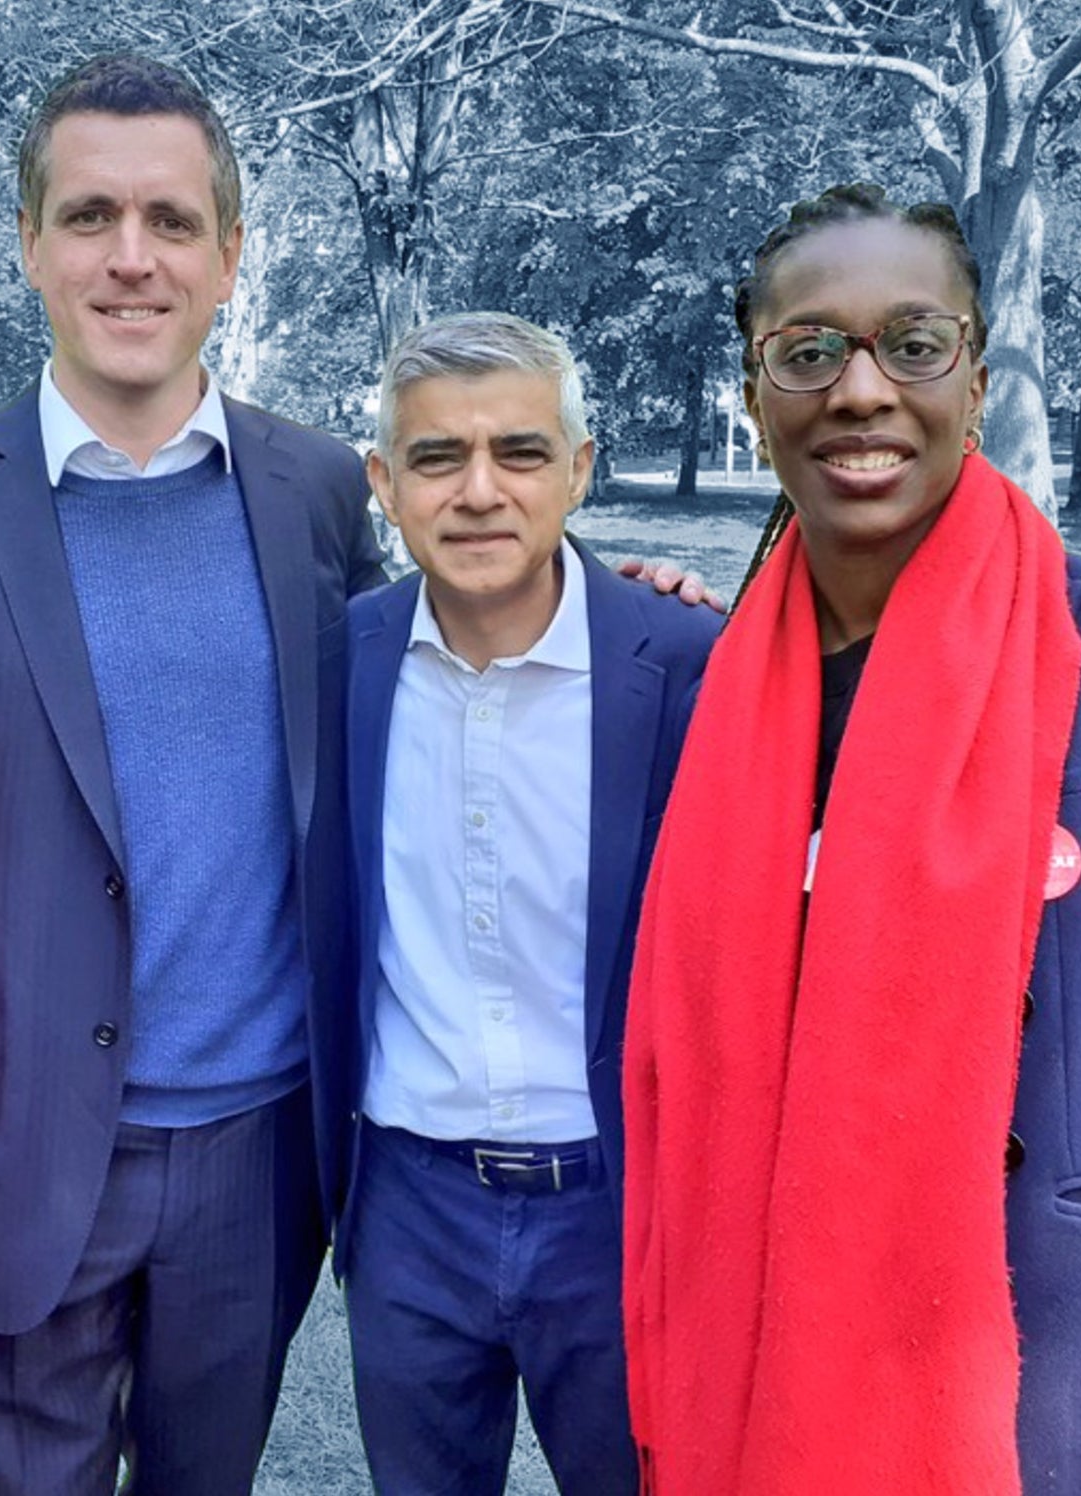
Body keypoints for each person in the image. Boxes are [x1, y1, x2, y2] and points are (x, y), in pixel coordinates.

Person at [621, 182, 1081, 1495]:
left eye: (910, 344)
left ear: (974, 380)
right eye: (806, 350)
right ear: (752, 398)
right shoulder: (705, 710)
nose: (857, 389)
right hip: (762, 1390)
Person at [0, 53, 387, 1496]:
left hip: (261, 1157)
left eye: (169, 221)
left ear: (228, 255)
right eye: (86, 217)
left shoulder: (320, 488)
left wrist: (621, 599)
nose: (128, 259)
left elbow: (424, 690)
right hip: (1, 1144)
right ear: (27, 243)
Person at [334, 312, 717, 1494]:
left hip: (621, 1204)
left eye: (522, 451)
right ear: (385, 485)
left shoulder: (694, 665)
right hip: (408, 1206)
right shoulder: (334, 663)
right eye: (439, 458)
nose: (480, 491)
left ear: (580, 470)